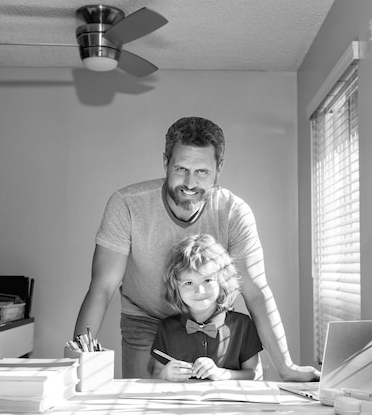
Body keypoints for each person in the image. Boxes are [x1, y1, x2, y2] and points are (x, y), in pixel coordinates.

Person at [74, 116, 319, 381]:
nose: (190, 183)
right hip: (145, 318)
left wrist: (286, 368)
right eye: (181, 169)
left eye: (202, 171)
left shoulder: (234, 212)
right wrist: (75, 362)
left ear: (218, 168)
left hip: (210, 318)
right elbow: (102, 287)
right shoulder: (126, 205)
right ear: (166, 162)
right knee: (144, 399)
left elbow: (256, 292)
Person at [151, 234, 262, 381]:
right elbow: (155, 376)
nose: (200, 291)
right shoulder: (166, 328)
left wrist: (223, 374)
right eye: (189, 283)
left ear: (222, 280)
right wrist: (165, 374)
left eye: (207, 280)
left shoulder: (242, 325)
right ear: (175, 286)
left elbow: (256, 375)